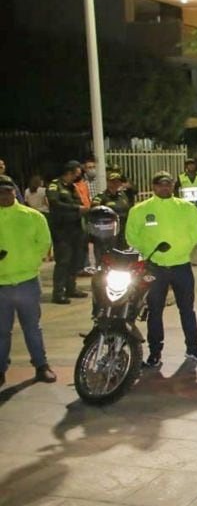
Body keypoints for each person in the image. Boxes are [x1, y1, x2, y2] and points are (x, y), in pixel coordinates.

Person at [126, 171, 197, 366]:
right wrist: (150, 254)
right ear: (153, 187)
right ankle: (155, 354)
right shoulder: (139, 210)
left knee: (187, 309)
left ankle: (193, 348)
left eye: (168, 184)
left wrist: (182, 249)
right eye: (160, 184)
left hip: (181, 266)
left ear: (173, 186)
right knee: (155, 311)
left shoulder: (187, 208)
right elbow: (131, 236)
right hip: (154, 268)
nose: (165, 187)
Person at [0, 175, 57, 388]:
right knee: (2, 331)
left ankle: (41, 365)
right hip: (1, 285)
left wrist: (27, 263)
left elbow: (44, 244)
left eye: (8, 191)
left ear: (14, 192)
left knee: (32, 327)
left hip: (27, 281)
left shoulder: (32, 217)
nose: (4, 196)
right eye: (0, 192)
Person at [46, 161, 88, 304]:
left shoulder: (72, 187)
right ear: (69, 172)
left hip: (75, 228)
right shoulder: (55, 185)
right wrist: (76, 208)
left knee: (75, 260)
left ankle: (71, 288)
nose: (79, 175)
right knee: (63, 261)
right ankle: (58, 293)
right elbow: (54, 202)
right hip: (61, 229)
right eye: (77, 173)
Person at [92, 172, 132, 249]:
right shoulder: (101, 197)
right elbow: (95, 212)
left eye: (118, 181)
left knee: (123, 254)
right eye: (113, 181)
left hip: (122, 231)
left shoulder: (123, 195)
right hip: (108, 232)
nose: (116, 184)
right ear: (108, 182)